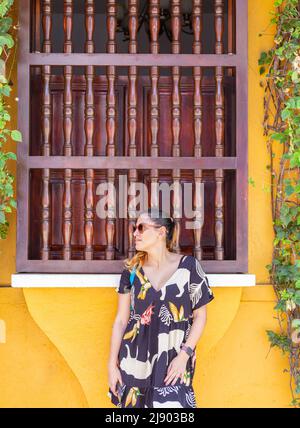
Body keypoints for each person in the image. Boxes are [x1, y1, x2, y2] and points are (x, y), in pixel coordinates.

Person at [107, 208, 214, 408]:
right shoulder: (131, 272)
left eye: (141, 228)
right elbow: (121, 321)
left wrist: (184, 355)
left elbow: (201, 316)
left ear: (161, 232)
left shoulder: (189, 267)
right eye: (134, 228)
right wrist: (111, 366)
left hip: (173, 364)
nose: (134, 233)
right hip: (134, 364)